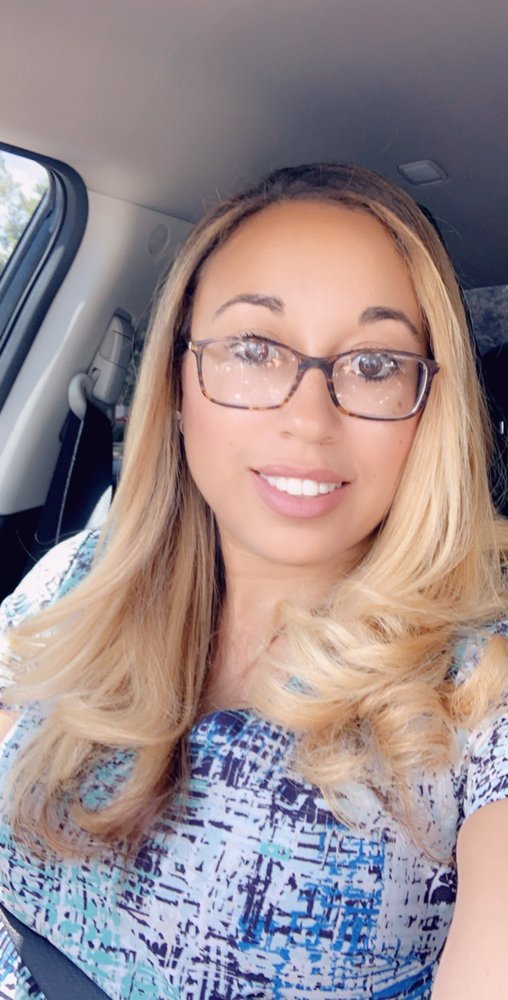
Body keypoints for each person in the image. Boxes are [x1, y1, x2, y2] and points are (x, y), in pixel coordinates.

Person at [1, 162, 508, 1000]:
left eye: (375, 365)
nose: (309, 420)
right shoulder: (75, 580)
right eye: (253, 349)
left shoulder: (478, 691)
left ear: (430, 410)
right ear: (176, 381)